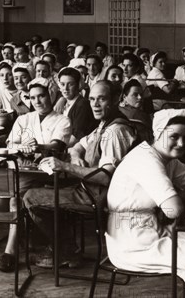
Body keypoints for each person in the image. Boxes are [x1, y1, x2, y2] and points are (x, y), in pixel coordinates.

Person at [106, 109, 185, 297]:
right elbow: (174, 209)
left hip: (152, 231)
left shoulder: (168, 159)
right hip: (131, 241)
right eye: (174, 136)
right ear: (158, 132)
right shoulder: (146, 159)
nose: (181, 143)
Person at [25, 80, 138, 268]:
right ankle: (65, 248)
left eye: (101, 99)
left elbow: (105, 177)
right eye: (92, 99)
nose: (94, 104)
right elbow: (78, 145)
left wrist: (66, 166)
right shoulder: (103, 125)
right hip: (87, 188)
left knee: (30, 197)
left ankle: (65, 251)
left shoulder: (116, 131)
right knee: (44, 188)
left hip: (99, 196)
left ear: (116, 100)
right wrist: (76, 156)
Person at [0, 77, 72, 272]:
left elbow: (57, 146)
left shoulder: (62, 120)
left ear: (51, 96)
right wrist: (22, 148)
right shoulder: (23, 119)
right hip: (23, 168)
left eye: (42, 96)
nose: (37, 101)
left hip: (47, 172)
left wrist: (38, 146)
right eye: (33, 97)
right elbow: (11, 145)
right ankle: (22, 234)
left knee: (14, 199)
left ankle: (11, 250)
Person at [53, 67, 95, 142]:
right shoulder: (64, 101)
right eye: (62, 84)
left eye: (70, 84)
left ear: (78, 85)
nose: (65, 88)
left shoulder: (83, 105)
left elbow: (76, 137)